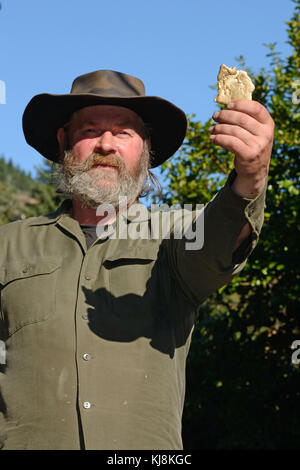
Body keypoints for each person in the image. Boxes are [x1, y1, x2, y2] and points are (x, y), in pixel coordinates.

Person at [0, 70, 274, 450]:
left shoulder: (175, 234)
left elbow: (219, 243)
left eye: (124, 132)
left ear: (145, 147)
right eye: (91, 130)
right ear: (64, 140)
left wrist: (251, 178)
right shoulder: (7, 245)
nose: (106, 145)